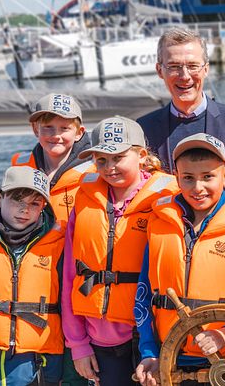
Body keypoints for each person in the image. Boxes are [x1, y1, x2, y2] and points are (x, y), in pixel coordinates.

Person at [133, 133, 225, 386]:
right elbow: (143, 296)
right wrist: (149, 351)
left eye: (208, 177)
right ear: (177, 177)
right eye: (188, 178)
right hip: (168, 359)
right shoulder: (158, 226)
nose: (198, 188)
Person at [61, 116, 178, 386]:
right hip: (103, 338)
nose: (109, 168)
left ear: (141, 155)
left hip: (156, 332)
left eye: (118, 157)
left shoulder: (168, 200)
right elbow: (70, 274)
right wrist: (78, 344)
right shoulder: (85, 200)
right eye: (101, 160)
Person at [0, 167, 64, 385]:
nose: (24, 209)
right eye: (17, 199)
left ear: (43, 207)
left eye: (34, 203)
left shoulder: (59, 245)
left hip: (47, 362)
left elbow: (71, 313)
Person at [137, 28, 225, 193]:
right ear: (160, 70)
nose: (185, 76)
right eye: (174, 66)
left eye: (192, 66)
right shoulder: (143, 129)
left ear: (206, 69)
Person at [11, 93, 92, 223]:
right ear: (35, 129)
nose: (55, 135)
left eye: (64, 128)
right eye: (48, 127)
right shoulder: (19, 167)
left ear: (79, 133)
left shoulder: (96, 171)